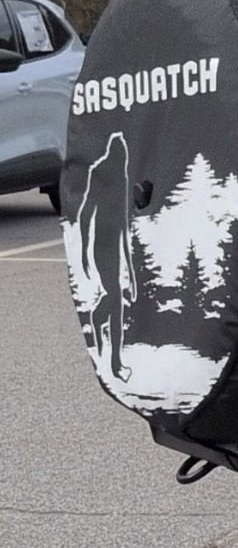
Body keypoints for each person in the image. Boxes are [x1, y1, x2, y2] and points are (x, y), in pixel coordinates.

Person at [76, 132, 138, 384]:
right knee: (116, 300)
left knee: (115, 298)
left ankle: (98, 318)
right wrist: (82, 251)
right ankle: (116, 363)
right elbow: (85, 213)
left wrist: (130, 270)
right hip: (101, 245)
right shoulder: (100, 172)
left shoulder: (122, 178)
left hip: (116, 244)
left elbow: (123, 225)